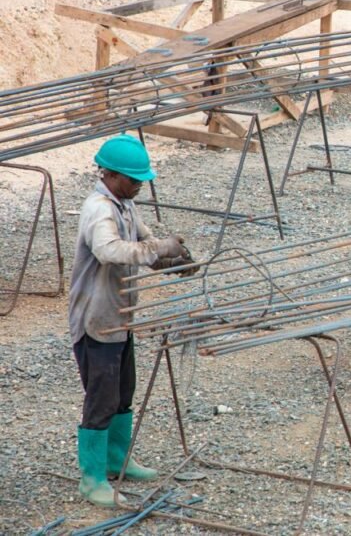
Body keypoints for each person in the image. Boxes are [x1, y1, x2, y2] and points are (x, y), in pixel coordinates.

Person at [69, 134, 194, 507]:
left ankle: (115, 458)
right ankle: (91, 479)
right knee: (101, 395)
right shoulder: (99, 209)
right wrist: (160, 248)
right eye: (134, 179)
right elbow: (109, 251)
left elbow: (144, 246)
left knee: (124, 389)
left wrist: (172, 262)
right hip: (97, 318)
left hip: (119, 316)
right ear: (109, 175)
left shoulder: (124, 205)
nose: (140, 185)